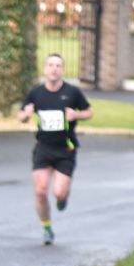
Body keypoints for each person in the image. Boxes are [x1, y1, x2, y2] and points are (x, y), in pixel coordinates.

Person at [18, 53, 93, 245]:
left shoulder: (72, 92)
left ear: (62, 70)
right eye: (50, 65)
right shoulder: (36, 93)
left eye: (58, 66)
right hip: (43, 147)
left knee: (58, 192)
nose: (54, 69)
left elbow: (89, 112)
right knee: (40, 191)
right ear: (45, 69)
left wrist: (76, 115)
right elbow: (22, 115)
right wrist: (26, 115)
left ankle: (63, 197)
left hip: (65, 149)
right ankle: (47, 228)